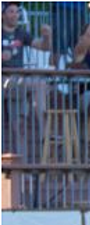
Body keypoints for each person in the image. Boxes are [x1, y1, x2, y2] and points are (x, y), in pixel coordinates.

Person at [2, 1, 51, 155]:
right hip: (3, 78)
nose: (15, 15)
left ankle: (44, 131)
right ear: (2, 14)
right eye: (11, 11)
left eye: (17, 12)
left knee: (20, 126)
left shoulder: (21, 33)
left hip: (17, 82)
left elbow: (43, 47)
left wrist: (47, 37)